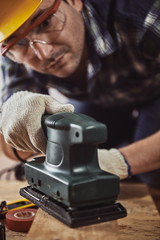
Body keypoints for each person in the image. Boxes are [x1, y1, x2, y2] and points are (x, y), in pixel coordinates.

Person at [0, 0, 160, 187]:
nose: (44, 53)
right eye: (19, 42)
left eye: (45, 22)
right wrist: (21, 127)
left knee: (151, 174)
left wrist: (120, 161)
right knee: (78, 148)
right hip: (104, 98)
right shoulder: (15, 55)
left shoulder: (144, 15)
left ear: (74, 2)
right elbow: (8, 144)